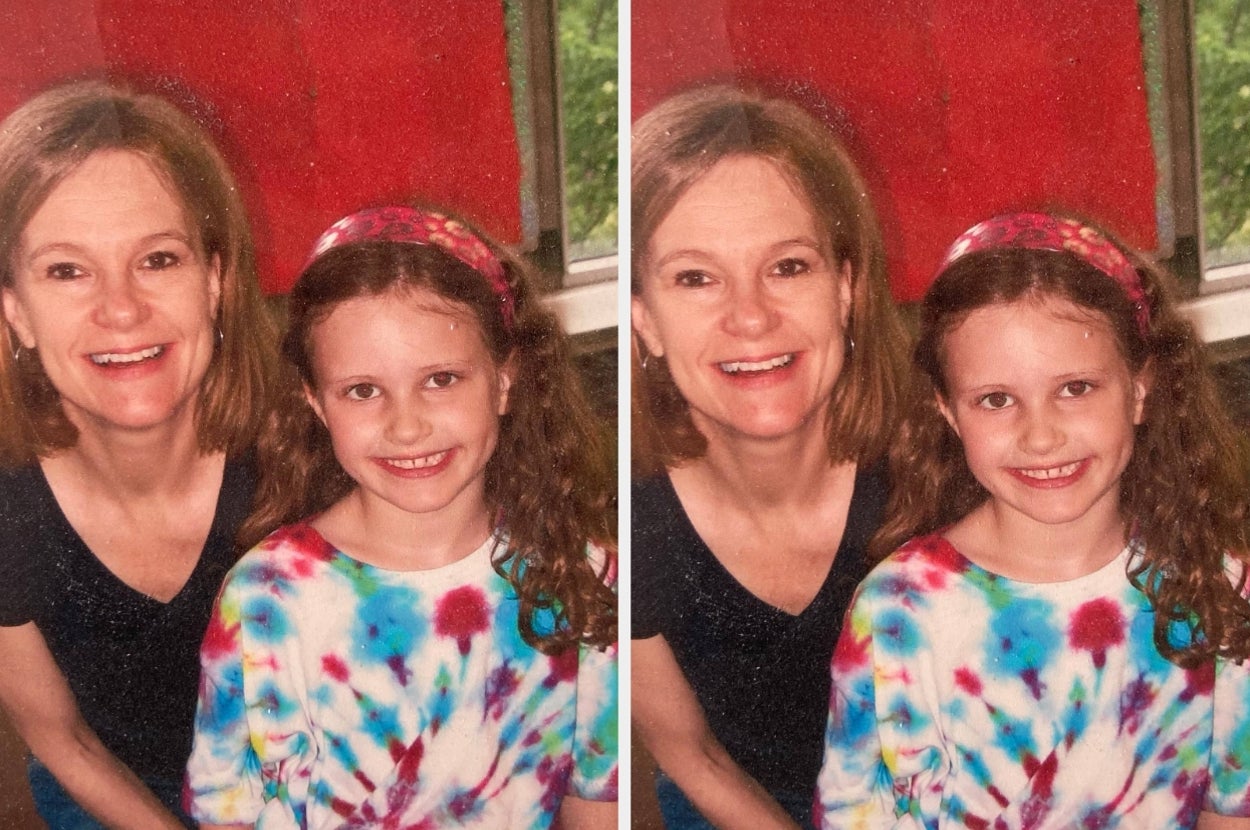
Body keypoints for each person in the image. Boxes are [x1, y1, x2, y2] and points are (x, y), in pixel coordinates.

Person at [185, 205, 618, 829]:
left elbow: (596, 797)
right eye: (363, 390)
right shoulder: (267, 597)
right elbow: (226, 811)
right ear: (317, 402)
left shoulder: (583, 576)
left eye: (441, 379)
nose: (407, 426)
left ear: (504, 379)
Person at [817, 212, 1250, 828]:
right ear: (949, 412)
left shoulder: (1218, 587)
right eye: (996, 400)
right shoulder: (897, 612)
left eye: (1076, 388)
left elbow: (1232, 810)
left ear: (1139, 389)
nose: (1040, 436)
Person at [630, 85, 910, 829]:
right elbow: (693, 756)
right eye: (695, 278)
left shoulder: (941, 472)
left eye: (788, 267)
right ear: (643, 319)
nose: (751, 316)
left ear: (845, 289)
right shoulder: (629, 526)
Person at [0, 81, 279, 827]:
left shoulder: (305, 455)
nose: (121, 309)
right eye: (67, 270)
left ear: (214, 281)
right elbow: (63, 742)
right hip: (112, 783)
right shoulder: (6, 510)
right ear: (15, 310)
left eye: (158, 259)